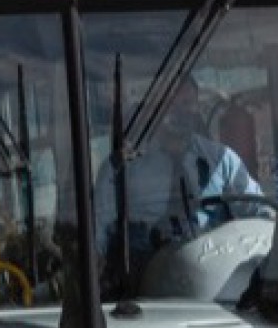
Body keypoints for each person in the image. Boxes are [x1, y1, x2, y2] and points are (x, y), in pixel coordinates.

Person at [95, 74, 265, 279]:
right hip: (143, 283)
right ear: (153, 108)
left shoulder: (221, 160)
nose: (181, 112)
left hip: (215, 277)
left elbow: (259, 209)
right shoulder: (123, 169)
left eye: (187, 103)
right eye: (171, 104)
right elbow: (98, 233)